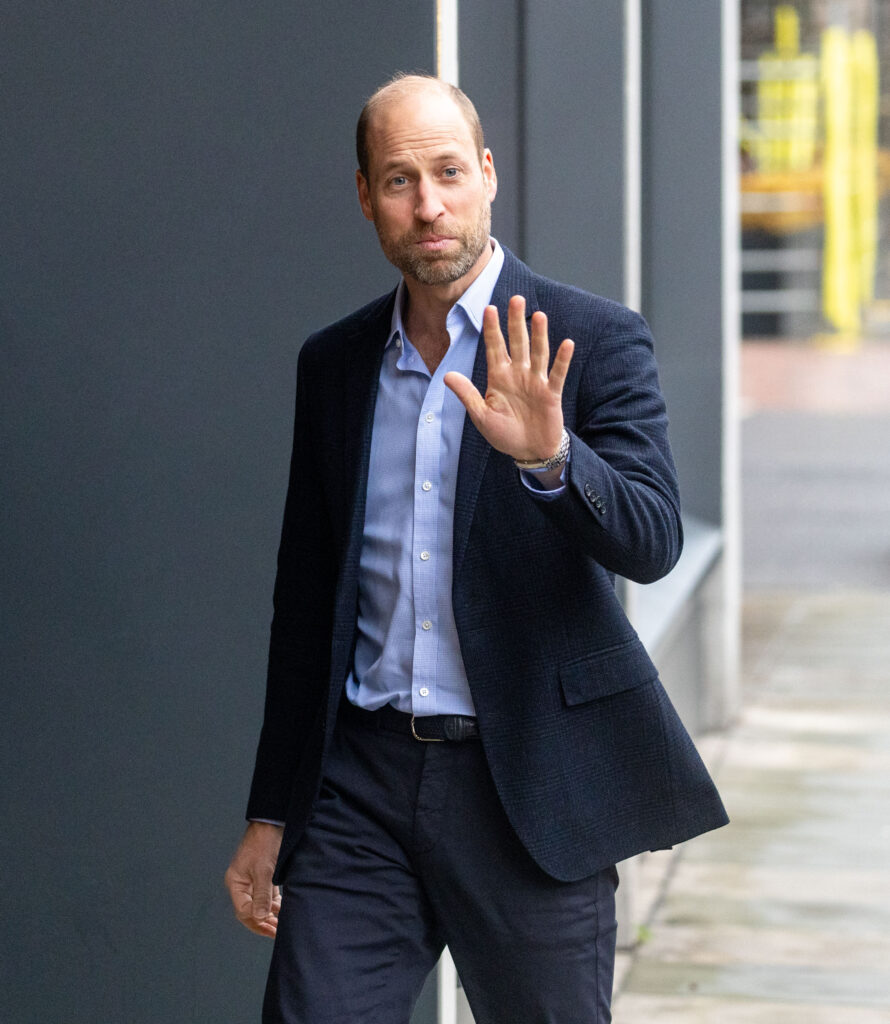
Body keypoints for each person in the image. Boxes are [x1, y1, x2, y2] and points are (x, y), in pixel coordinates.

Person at [225, 72, 728, 1023]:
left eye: (450, 172)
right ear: (367, 197)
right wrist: (271, 812)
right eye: (401, 181)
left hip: (526, 784)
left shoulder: (590, 338)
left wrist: (553, 459)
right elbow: (305, 606)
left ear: (488, 174)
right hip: (360, 789)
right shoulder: (333, 365)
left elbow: (654, 539)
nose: (430, 206)